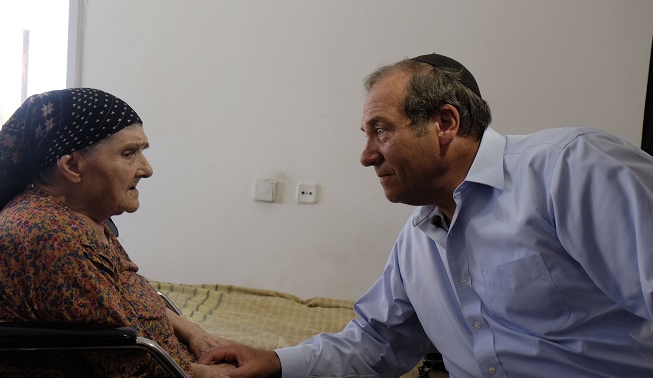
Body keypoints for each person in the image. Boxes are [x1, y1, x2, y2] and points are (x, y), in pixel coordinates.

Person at [198, 54, 653, 377]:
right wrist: (275, 362)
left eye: (381, 131)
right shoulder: (417, 240)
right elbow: (377, 344)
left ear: (445, 124)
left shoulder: (572, 169)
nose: (366, 156)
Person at [0, 88, 234, 377]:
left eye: (142, 151)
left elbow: (124, 291)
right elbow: (130, 367)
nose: (147, 169)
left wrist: (190, 329)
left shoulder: (79, 219)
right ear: (71, 165)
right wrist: (210, 374)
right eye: (129, 153)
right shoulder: (54, 237)